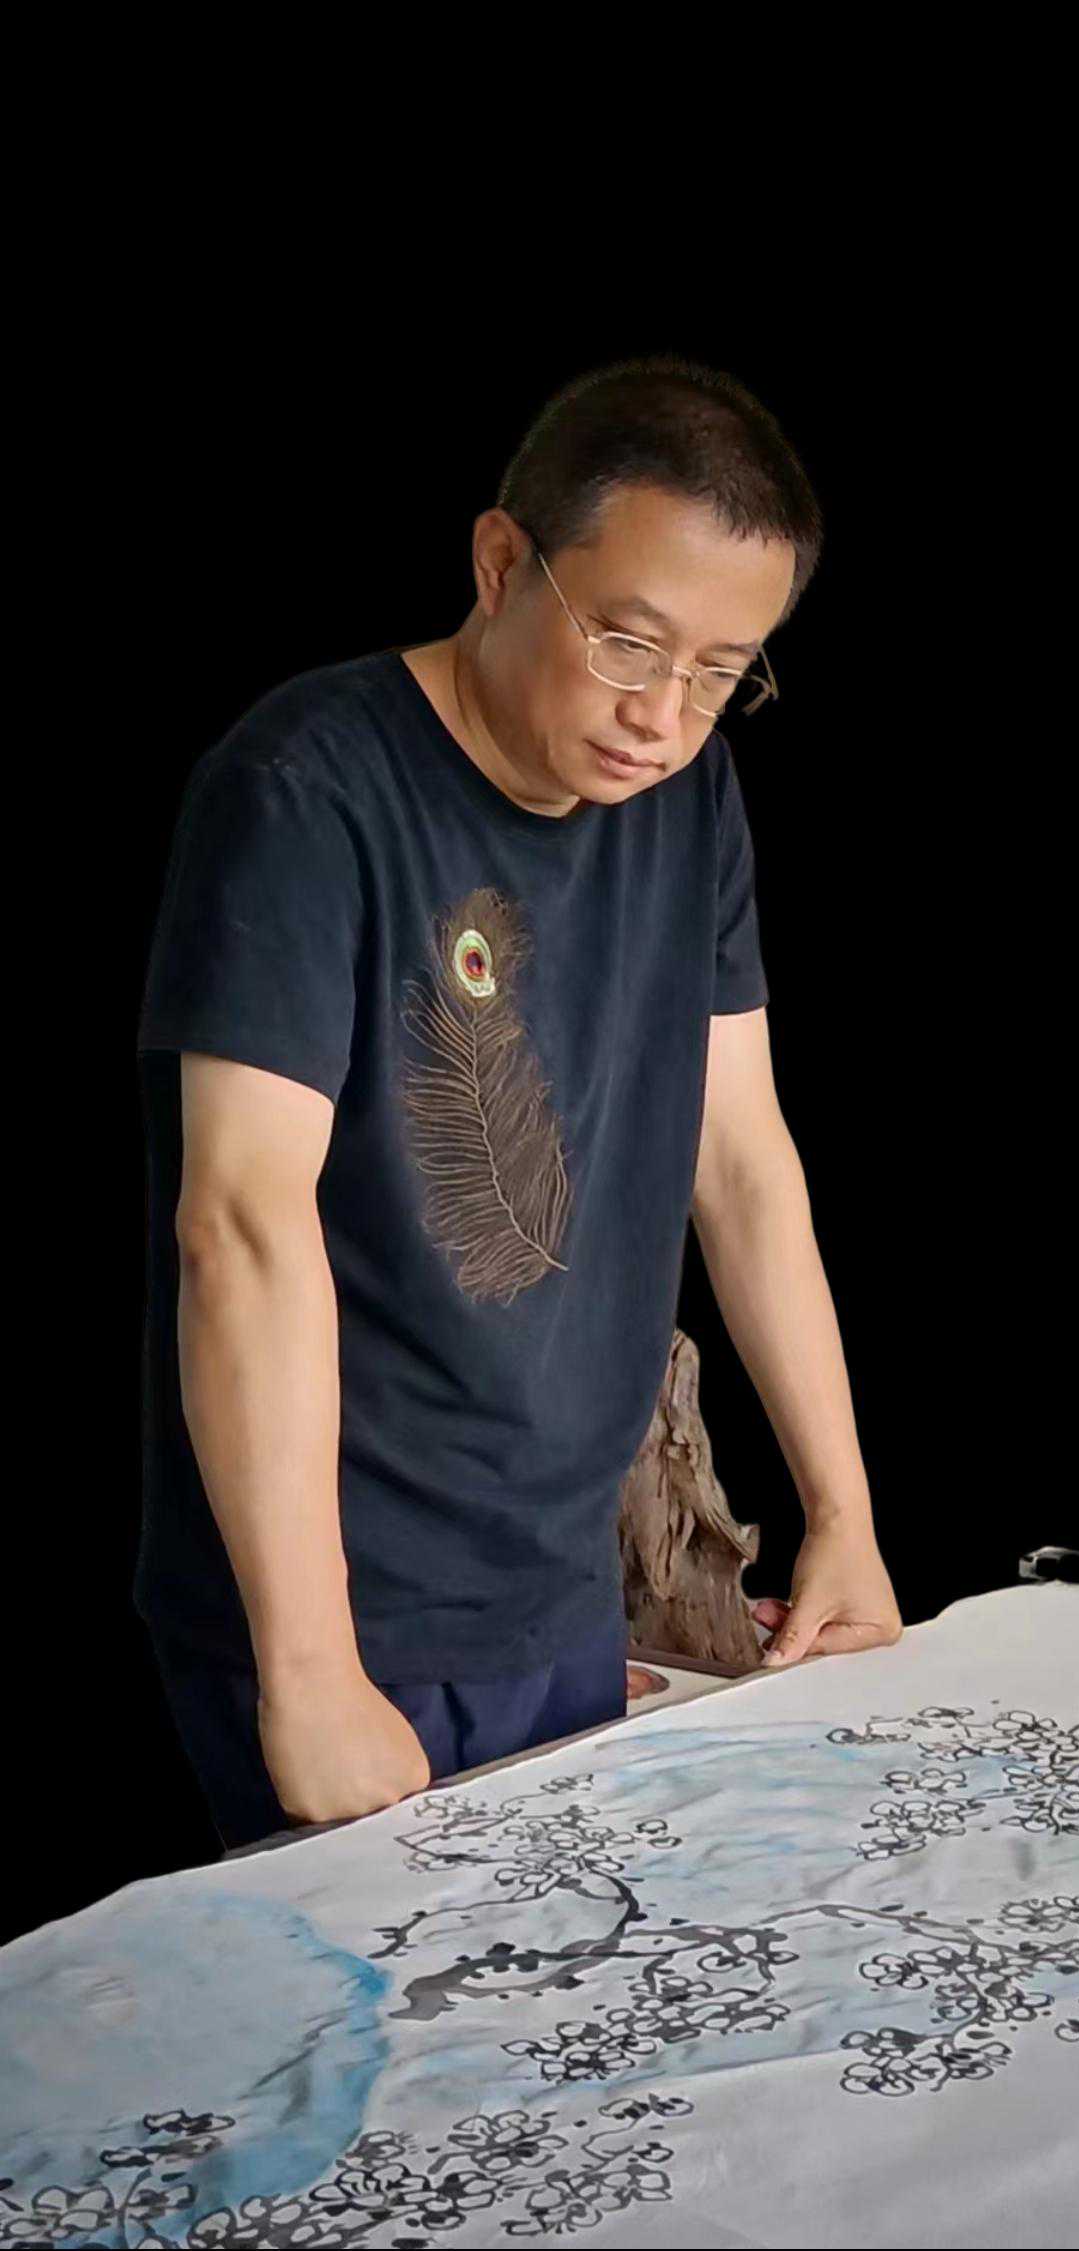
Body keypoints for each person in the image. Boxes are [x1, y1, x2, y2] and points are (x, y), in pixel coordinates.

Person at [136, 353, 902, 1854]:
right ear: (501, 562)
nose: (663, 716)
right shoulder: (305, 790)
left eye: (721, 672)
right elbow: (240, 1222)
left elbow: (743, 1164)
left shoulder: (688, 799)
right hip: (345, 1599)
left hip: (560, 1570)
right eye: (628, 642)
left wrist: (845, 1515)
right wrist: (312, 1667)